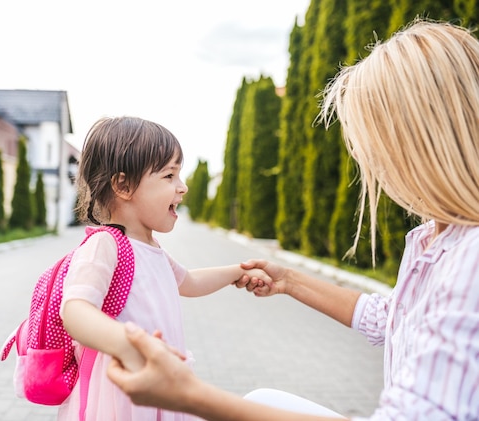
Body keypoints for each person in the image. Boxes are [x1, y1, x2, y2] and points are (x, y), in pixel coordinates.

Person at [106, 19, 479, 420]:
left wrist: (193, 396)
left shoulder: (470, 260)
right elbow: (395, 319)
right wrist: (288, 280)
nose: (366, 159)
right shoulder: (431, 238)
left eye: (374, 141)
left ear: (421, 138)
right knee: (261, 400)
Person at [58, 116, 271, 421]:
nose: (182, 187)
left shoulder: (153, 249)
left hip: (158, 384)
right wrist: (130, 346)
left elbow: (190, 282)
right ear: (123, 185)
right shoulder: (105, 245)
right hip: (122, 395)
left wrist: (237, 271)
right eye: (169, 176)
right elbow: (75, 311)